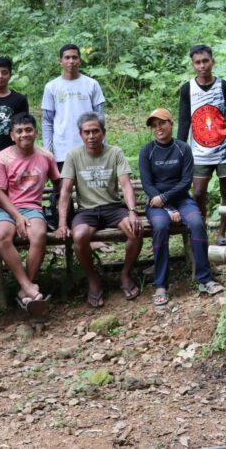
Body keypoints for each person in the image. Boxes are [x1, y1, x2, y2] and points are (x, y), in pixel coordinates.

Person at [138, 108, 225, 306]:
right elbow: (147, 184)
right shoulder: (147, 151)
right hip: (156, 202)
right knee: (160, 227)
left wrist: (167, 199)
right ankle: (161, 284)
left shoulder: (183, 148)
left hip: (180, 199)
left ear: (171, 124)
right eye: (154, 125)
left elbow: (186, 182)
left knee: (196, 222)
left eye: (162, 123)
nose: (158, 128)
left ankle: (204, 278)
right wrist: (167, 207)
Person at [57, 112, 143, 307]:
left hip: (113, 207)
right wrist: (62, 223)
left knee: (135, 230)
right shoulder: (73, 156)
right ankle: (93, 278)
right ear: (80, 134)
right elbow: (65, 192)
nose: (91, 136)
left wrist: (132, 211)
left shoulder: (115, 153)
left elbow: (126, 184)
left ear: (103, 132)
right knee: (78, 236)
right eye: (86, 132)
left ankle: (125, 273)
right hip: (87, 211)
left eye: (95, 131)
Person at [0, 113, 60, 316]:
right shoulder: (2, 158)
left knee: (38, 234)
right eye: (19, 131)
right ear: (12, 135)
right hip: (3, 207)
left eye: (28, 130)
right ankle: (27, 286)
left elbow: (58, 183)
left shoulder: (46, 156)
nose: (24, 134)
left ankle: (24, 289)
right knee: (2, 234)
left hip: (32, 207)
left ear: (36, 132)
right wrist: (17, 217)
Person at [177, 45, 226, 245]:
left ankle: (222, 234)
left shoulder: (225, 87)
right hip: (198, 151)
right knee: (197, 193)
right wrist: (180, 149)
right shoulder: (188, 88)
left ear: (213, 61)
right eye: (198, 62)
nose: (202, 66)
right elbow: (184, 120)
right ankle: (200, 230)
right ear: (192, 65)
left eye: (205, 61)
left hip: (225, 150)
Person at [41, 43, 106, 169]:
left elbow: (100, 118)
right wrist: (47, 150)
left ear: (80, 61)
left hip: (90, 146)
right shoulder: (51, 87)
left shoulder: (92, 84)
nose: (71, 61)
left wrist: (101, 145)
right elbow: (47, 121)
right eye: (67, 58)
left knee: (90, 187)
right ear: (60, 61)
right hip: (62, 149)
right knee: (64, 187)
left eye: (74, 57)